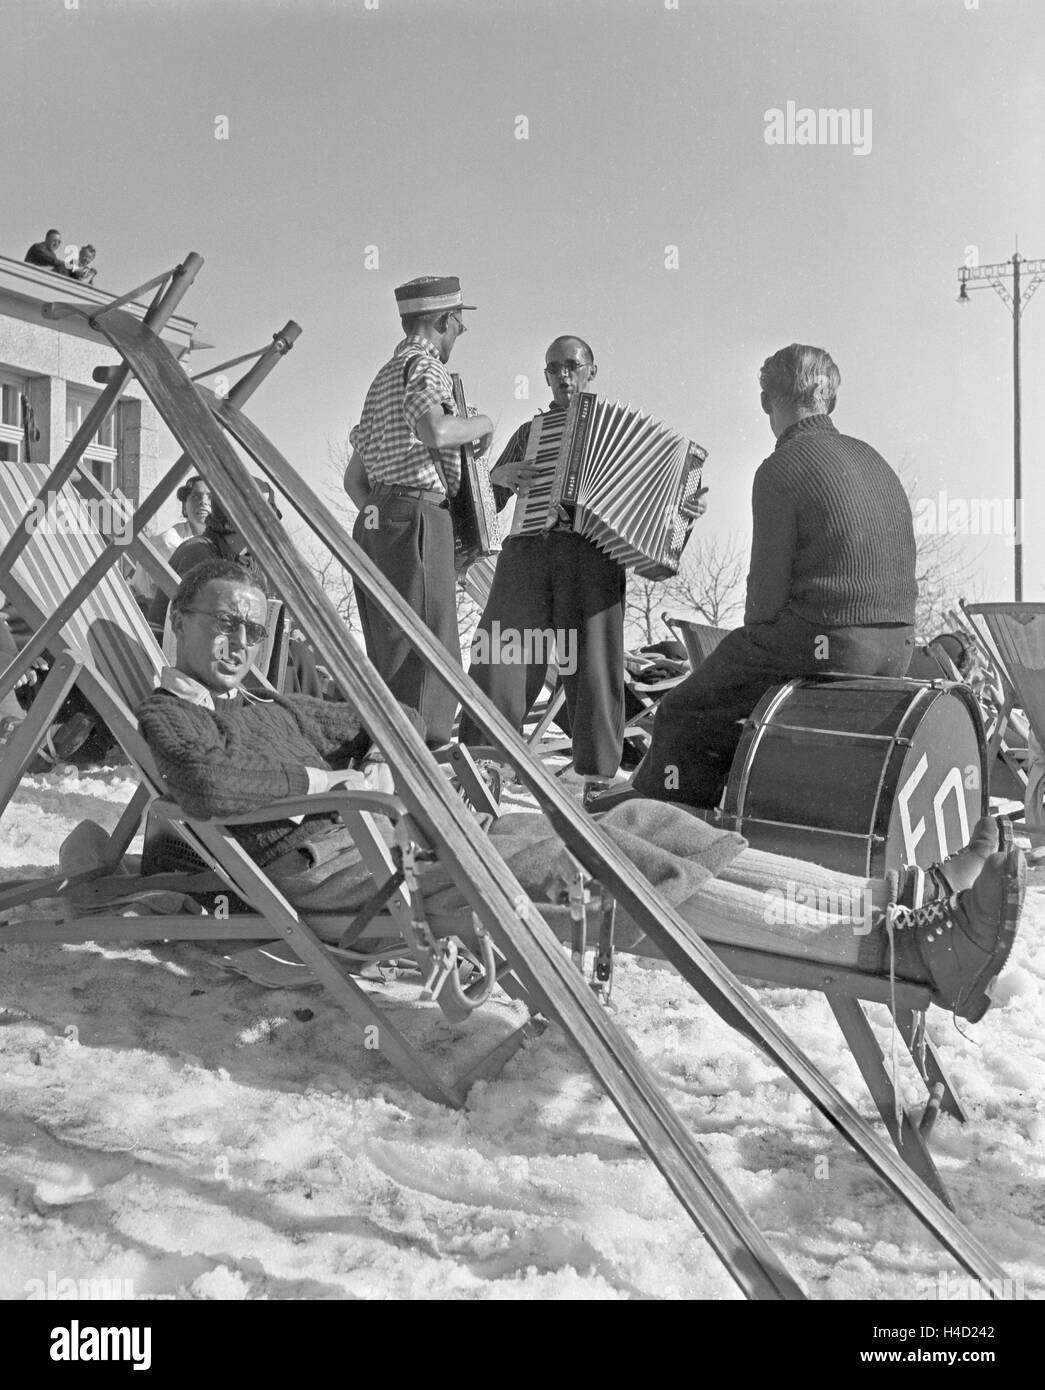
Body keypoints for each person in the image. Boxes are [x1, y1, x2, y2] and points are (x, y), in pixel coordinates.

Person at [136, 561, 1025, 1026]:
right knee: (603, 866)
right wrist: (337, 779)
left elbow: (390, 718)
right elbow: (207, 783)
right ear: (177, 624)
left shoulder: (270, 702)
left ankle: (900, 901)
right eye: (222, 624)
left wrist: (380, 745)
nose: (238, 642)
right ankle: (894, 952)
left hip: (387, 840)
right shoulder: (168, 713)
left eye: (251, 627)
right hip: (334, 867)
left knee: (644, 819)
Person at [628, 342, 917, 810]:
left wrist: (741, 652)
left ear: (767, 402)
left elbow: (764, 601)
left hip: (827, 641)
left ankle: (674, 832)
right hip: (899, 647)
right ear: (832, 401)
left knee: (685, 710)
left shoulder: (781, 467)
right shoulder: (874, 458)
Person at [459, 336, 705, 805]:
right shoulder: (528, 435)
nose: (562, 376)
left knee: (594, 663)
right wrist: (497, 478)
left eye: (572, 366)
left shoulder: (625, 441)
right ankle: (483, 764)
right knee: (503, 653)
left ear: (592, 370)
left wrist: (687, 507)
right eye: (553, 369)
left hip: (593, 555)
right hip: (527, 552)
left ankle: (599, 780)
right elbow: (487, 509)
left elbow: (672, 502)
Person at [343, 276, 493, 749]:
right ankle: (424, 759)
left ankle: (387, 750)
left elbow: (355, 480)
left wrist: (384, 514)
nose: (460, 334)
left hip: (376, 519)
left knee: (391, 650)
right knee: (432, 650)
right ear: (443, 321)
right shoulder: (424, 367)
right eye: (459, 325)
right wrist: (483, 425)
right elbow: (434, 430)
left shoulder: (382, 377)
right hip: (419, 515)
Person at [131, 474, 211, 611]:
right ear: (185, 507)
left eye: (210, 497)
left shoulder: (218, 541)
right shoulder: (169, 542)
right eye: (196, 496)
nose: (203, 502)